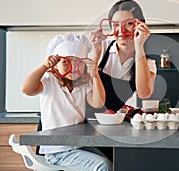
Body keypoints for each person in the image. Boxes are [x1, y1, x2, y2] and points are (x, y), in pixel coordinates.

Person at [21, 32, 112, 171]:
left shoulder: (83, 84)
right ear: (55, 66)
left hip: (78, 144)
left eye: (78, 62)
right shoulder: (49, 83)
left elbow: (98, 102)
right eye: (66, 62)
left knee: (113, 161)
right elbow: (26, 89)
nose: (73, 66)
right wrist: (45, 66)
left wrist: (95, 75)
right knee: (103, 165)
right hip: (57, 150)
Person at [89, 0, 157, 113]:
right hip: (87, 120)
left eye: (129, 23)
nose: (121, 30)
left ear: (140, 25)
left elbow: (144, 93)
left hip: (114, 122)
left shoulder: (148, 63)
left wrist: (139, 45)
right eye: (115, 25)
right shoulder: (100, 48)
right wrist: (94, 55)